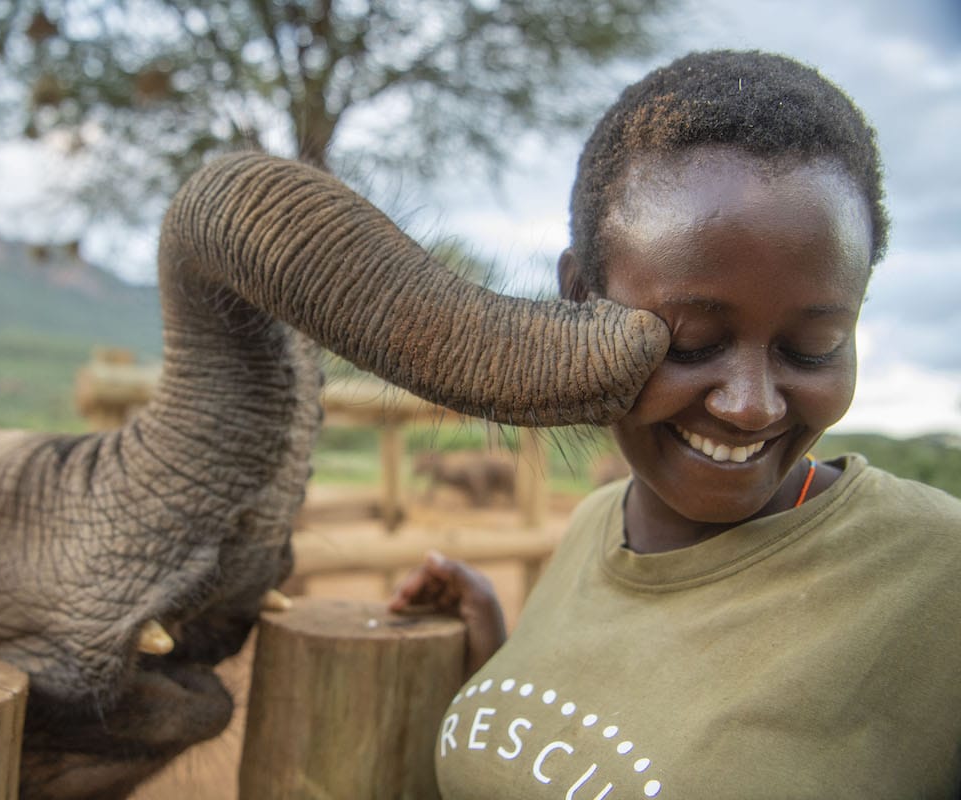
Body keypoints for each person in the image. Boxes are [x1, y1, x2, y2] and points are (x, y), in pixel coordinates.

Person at [389, 50, 961, 798]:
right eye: (690, 342)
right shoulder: (597, 525)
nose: (751, 404)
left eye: (811, 347)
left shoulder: (936, 577)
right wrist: (500, 659)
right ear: (578, 298)